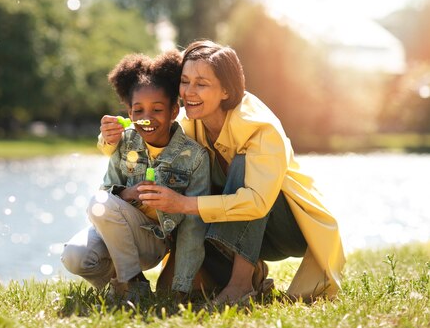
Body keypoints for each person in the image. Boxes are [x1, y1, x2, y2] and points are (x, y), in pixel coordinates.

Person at [98, 39, 345, 304]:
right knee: (169, 290)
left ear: (226, 91)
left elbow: (256, 203)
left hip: (287, 229)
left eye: (202, 84)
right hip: (237, 229)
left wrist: (183, 204)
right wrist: (108, 139)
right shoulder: (190, 122)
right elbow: (146, 133)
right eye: (185, 81)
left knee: (241, 163)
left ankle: (240, 286)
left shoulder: (259, 128)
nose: (189, 92)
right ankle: (255, 276)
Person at [61, 50, 211, 302]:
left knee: (101, 204)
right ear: (129, 114)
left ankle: (130, 283)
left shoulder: (194, 157)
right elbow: (104, 195)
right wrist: (126, 194)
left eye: (157, 109)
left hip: (153, 240)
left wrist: (181, 286)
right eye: (138, 111)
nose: (147, 119)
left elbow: (194, 227)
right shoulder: (125, 142)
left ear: (174, 111)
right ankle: (131, 281)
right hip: (116, 235)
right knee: (75, 256)